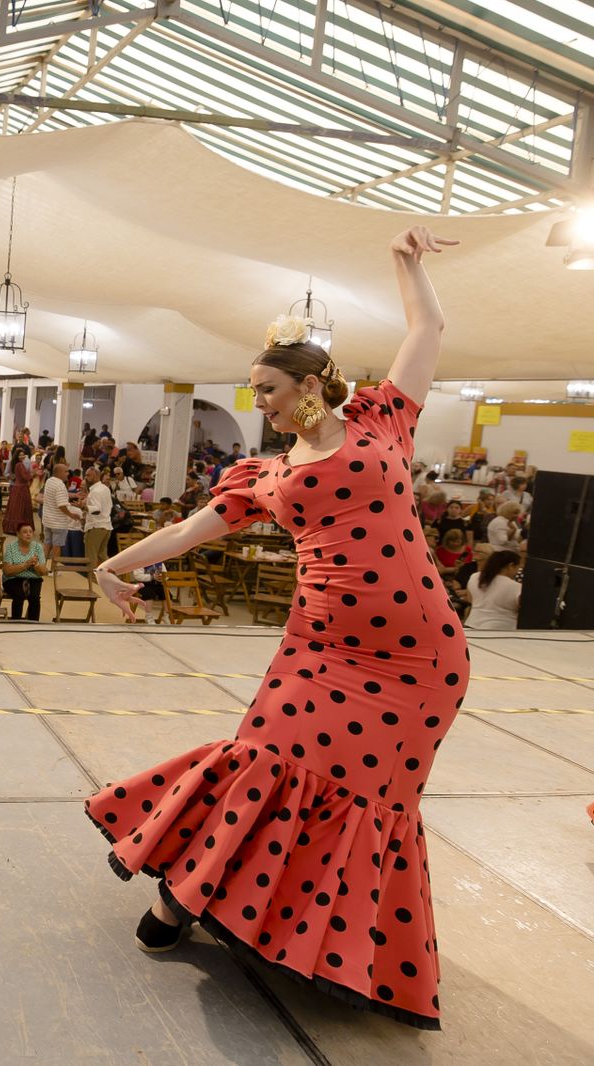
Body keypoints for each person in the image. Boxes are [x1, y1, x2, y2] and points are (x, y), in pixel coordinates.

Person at [86, 226, 466, 1032]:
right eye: (255, 392)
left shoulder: (384, 419)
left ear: (308, 383)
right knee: (265, 762)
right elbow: (189, 530)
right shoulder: (265, 476)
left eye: (265, 389)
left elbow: (427, 332)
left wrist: (404, 260)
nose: (258, 404)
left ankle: (335, 942)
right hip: (322, 650)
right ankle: (181, 897)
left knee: (372, 798)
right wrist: (115, 566)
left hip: (423, 658)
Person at [464, 548, 521, 630]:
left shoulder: (474, 577)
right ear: (511, 566)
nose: (516, 572)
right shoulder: (516, 587)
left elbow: (470, 600)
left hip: (472, 625)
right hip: (501, 630)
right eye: (517, 569)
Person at [1, 522, 46, 621]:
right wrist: (26, 565)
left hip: (33, 578)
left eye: (30, 532)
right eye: (25, 532)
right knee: (19, 595)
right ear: (18, 534)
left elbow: (43, 572)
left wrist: (36, 565)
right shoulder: (11, 547)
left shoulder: (38, 547)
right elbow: (7, 571)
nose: (28, 534)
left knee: (34, 597)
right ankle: (16, 622)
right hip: (13, 579)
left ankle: (33, 623)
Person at [2, 451, 35, 534]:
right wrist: (33, 474)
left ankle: (13, 528)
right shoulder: (18, 464)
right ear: (16, 456)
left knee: (15, 508)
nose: (22, 456)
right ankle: (17, 528)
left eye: (23, 454)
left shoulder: (20, 464)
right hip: (20, 488)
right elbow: (25, 477)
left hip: (18, 487)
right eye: (20, 455)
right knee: (20, 508)